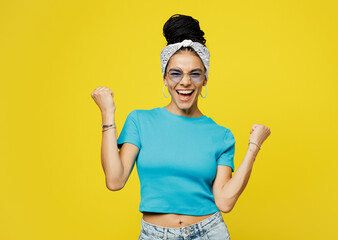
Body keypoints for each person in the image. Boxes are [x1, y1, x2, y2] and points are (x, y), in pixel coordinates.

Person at [91, 13, 271, 240]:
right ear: (165, 78)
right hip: (154, 234)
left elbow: (225, 202)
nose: (185, 82)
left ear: (205, 79)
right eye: (176, 73)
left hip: (209, 232)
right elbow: (115, 181)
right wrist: (108, 114)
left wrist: (254, 147)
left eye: (195, 74)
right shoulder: (140, 121)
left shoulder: (221, 135)